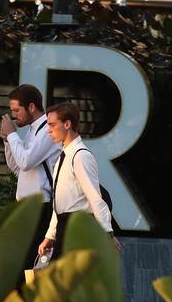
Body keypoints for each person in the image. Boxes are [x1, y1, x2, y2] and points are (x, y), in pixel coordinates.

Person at [38, 102, 121, 259]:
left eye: (52, 125)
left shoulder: (81, 156)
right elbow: (60, 203)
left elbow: (95, 198)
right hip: (65, 228)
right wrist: (50, 236)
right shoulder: (65, 155)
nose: (48, 130)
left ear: (67, 124)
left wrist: (108, 234)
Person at [0, 84, 61, 273]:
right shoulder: (33, 130)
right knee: (22, 264)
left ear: (31, 107)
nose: (15, 115)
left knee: (30, 264)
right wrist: (7, 140)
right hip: (27, 208)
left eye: (17, 110)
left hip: (41, 207)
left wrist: (12, 135)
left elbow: (25, 162)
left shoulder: (47, 131)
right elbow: (15, 165)